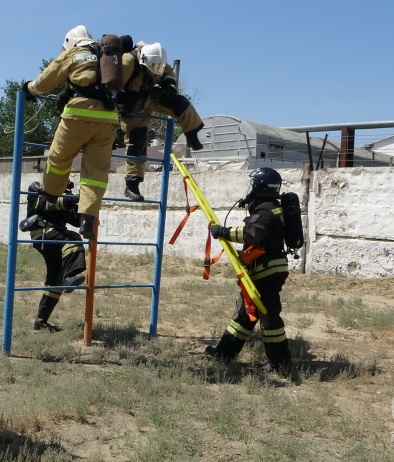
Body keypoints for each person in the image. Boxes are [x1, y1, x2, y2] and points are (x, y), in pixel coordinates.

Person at [22, 25, 126, 241]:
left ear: (69, 42)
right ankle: (87, 217)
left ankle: (51, 194)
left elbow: (48, 78)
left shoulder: (74, 53)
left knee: (59, 157)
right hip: (108, 120)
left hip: (78, 116)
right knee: (96, 173)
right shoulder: (105, 54)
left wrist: (30, 89)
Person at [204, 167, 291, 371]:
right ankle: (225, 353)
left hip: (267, 272)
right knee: (245, 314)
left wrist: (223, 232)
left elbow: (252, 234)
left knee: (268, 316)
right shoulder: (269, 207)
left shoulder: (266, 210)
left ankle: (280, 363)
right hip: (266, 269)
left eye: (252, 185)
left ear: (260, 187)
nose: (249, 189)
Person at [118, 40, 205, 201]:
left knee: (181, 104)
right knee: (137, 141)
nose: (156, 72)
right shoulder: (128, 61)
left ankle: (192, 135)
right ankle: (132, 185)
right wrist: (121, 102)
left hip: (151, 96)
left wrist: (170, 87)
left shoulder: (159, 61)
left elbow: (170, 74)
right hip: (133, 105)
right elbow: (112, 85)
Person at [20, 181, 86, 331]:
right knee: (72, 238)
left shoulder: (65, 200)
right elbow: (50, 202)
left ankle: (41, 321)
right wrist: (74, 198)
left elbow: (75, 219)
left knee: (55, 280)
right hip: (44, 235)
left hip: (55, 238)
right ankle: (71, 276)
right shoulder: (38, 189)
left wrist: (85, 209)